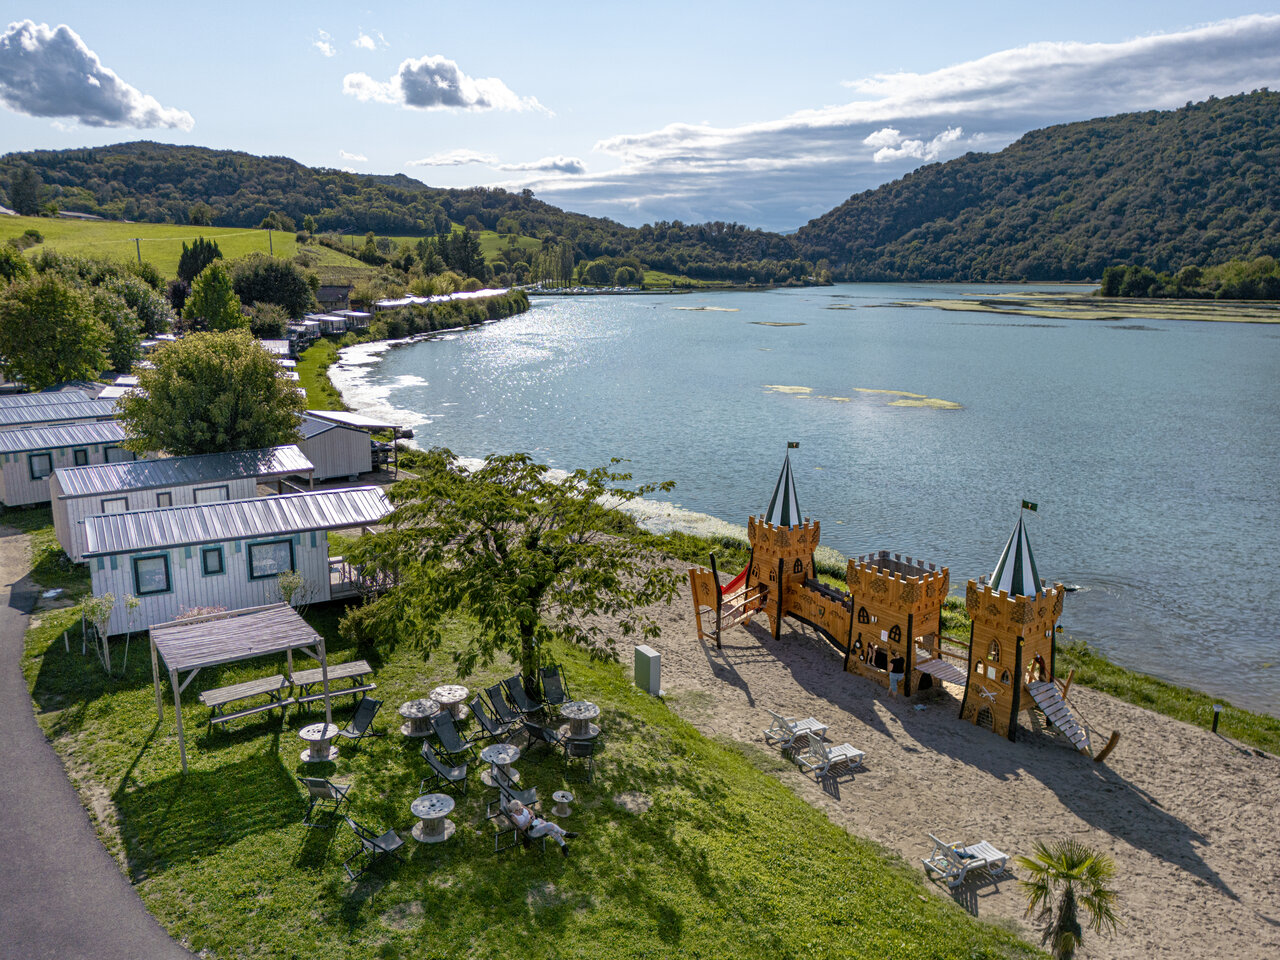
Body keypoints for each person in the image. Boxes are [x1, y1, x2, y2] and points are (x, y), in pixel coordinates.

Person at [505, 799, 577, 857]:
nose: (521, 810)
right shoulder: (514, 817)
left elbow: (531, 811)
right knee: (549, 825)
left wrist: (532, 816)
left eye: (521, 808)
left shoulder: (521, 806)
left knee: (550, 830)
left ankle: (563, 845)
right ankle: (565, 834)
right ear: (514, 810)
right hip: (530, 830)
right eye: (518, 810)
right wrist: (528, 823)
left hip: (535, 822)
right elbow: (519, 831)